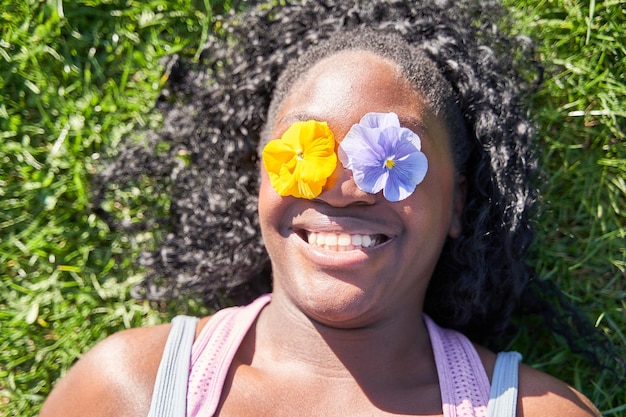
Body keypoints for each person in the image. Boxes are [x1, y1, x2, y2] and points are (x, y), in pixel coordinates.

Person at [40, 1, 603, 416]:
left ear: (457, 204)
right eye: (308, 150)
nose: (342, 189)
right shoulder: (127, 389)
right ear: (260, 180)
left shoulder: (539, 411)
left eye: (390, 155)